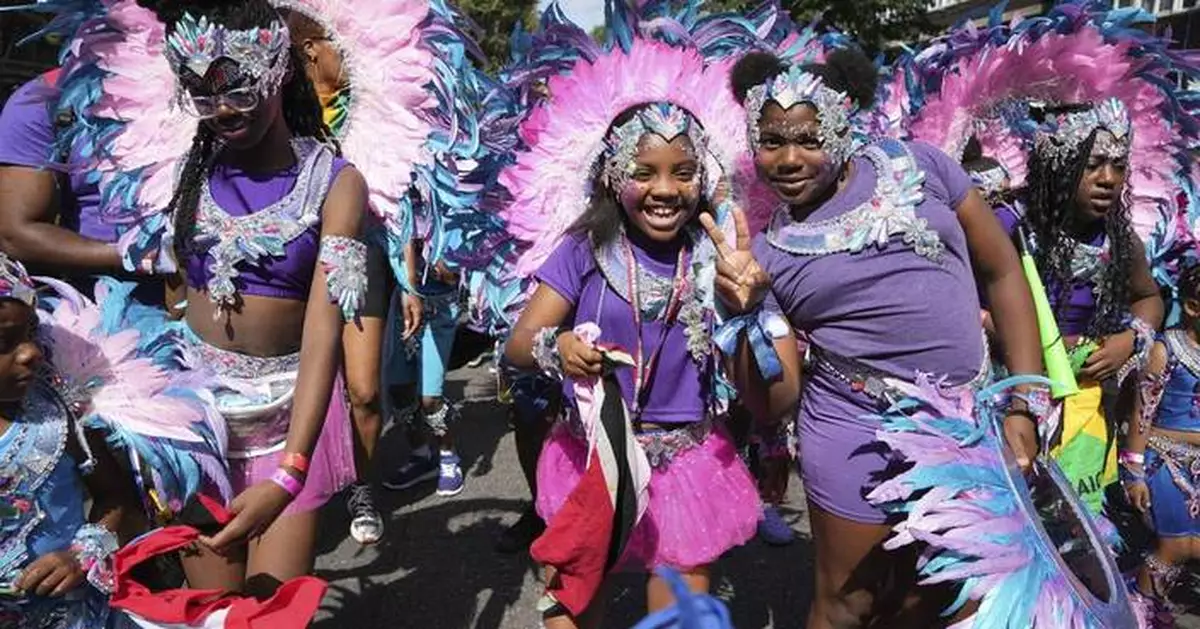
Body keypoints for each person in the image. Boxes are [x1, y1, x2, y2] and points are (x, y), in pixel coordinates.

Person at [726, 49, 1048, 628]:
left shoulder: (921, 166)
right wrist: (746, 313)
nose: (790, 158)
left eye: (808, 137)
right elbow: (774, 400)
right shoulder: (767, 254)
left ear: (842, 125)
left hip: (969, 423)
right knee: (849, 604)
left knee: (952, 593)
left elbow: (1003, 273)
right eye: (771, 141)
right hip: (853, 431)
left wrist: (1025, 400)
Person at [63, 0, 369, 592]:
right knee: (209, 609)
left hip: (286, 422)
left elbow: (322, 335)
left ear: (277, 73)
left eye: (238, 90)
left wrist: (290, 472)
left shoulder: (335, 181)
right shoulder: (188, 171)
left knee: (268, 609)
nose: (222, 109)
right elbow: (173, 289)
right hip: (195, 426)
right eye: (202, 95)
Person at [1008, 100, 1164, 514]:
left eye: (1118, 165)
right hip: (1011, 392)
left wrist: (1129, 340)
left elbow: (1149, 298)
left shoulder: (1118, 239)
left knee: (1072, 524)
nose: (1108, 179)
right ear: (1057, 163)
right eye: (1093, 164)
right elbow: (966, 301)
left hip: (1084, 398)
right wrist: (1002, 328)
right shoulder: (1011, 225)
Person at [0, 254, 140, 628]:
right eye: (5, 342)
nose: (30, 352)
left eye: (32, 333)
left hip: (72, 617)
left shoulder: (59, 413)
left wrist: (83, 555)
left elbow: (115, 496)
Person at [0, 71, 162, 306]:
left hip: (212, 300)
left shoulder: (199, 93)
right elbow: (15, 234)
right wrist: (139, 255)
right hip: (96, 305)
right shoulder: (43, 100)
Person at [1122, 263, 1200, 627]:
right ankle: (1138, 617)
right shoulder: (1164, 350)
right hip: (1165, 457)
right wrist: (1133, 472)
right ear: (1192, 307)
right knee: (1178, 547)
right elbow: (1142, 413)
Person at [384, 251, 465, 496]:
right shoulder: (396, 213)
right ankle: (421, 455)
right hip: (403, 307)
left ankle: (449, 454)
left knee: (430, 397)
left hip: (440, 308)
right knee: (399, 390)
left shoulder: (450, 212)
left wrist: (457, 271)